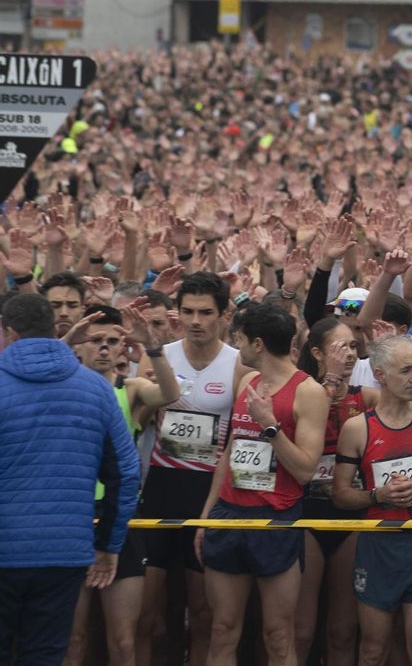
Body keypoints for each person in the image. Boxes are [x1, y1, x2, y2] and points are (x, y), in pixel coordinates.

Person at [0, 293, 141, 663]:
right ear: (54, 329)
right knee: (46, 653)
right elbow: (125, 474)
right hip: (64, 552)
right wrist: (109, 545)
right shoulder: (97, 388)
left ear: (9, 333)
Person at [198, 303, 330, 666]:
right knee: (223, 628)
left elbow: (305, 470)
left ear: (257, 344)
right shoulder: (247, 382)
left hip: (276, 519)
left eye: (239, 339)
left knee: (277, 633)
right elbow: (230, 452)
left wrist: (270, 426)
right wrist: (207, 516)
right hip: (229, 515)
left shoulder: (309, 391)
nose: (236, 347)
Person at [332, 335, 412, 666]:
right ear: (379, 373)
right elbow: (341, 494)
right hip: (378, 544)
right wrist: (379, 495)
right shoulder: (357, 428)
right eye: (405, 370)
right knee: (374, 648)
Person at [136, 271, 246, 666]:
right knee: (146, 617)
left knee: (204, 616)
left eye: (205, 312)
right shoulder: (157, 354)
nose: (196, 321)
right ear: (176, 313)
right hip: (161, 488)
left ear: (223, 316)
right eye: (187, 312)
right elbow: (137, 416)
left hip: (208, 493)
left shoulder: (237, 364)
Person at [65, 302, 179, 666]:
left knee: (124, 641)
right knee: (74, 637)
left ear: (121, 349)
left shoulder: (130, 389)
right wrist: (64, 341)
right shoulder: (62, 387)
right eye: (95, 340)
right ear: (79, 346)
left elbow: (171, 395)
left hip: (121, 516)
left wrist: (154, 348)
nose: (103, 347)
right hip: (75, 515)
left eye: (112, 341)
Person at [294, 316, 372, 665]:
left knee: (342, 630)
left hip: (352, 517)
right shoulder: (301, 393)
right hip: (306, 515)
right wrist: (328, 384)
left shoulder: (367, 397)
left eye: (354, 346)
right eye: (340, 347)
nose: (350, 354)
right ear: (317, 353)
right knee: (301, 630)